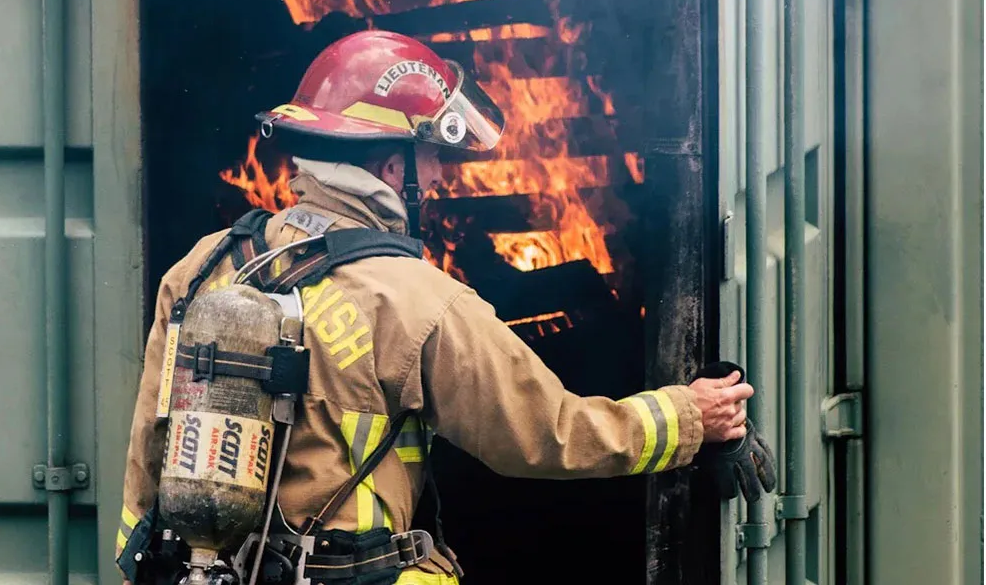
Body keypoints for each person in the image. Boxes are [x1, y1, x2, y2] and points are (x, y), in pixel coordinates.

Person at [116, 29, 773, 585]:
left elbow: (150, 448)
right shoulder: (420, 301)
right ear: (389, 161)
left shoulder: (203, 265)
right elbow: (551, 435)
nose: (438, 176)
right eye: (431, 155)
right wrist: (690, 417)